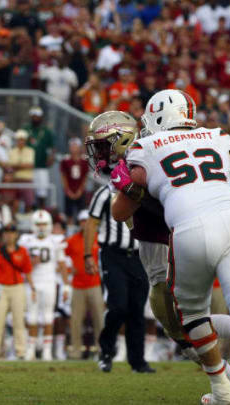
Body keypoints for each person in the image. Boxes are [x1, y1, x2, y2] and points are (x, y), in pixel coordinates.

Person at [112, 89, 230, 404]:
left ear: (156, 117)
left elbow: (122, 207)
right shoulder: (217, 137)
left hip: (190, 227)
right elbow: (228, 177)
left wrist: (123, 180)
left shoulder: (146, 146)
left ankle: (223, 393)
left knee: (194, 315)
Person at [84, 123, 152, 373]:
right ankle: (106, 351)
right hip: (113, 254)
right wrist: (86, 254)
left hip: (139, 256)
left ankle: (138, 361)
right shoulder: (105, 193)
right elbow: (91, 224)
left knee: (137, 309)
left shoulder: (144, 190)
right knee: (119, 305)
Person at [19, 209, 67, 361]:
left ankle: (47, 350)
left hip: (49, 282)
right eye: (38, 224)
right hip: (31, 283)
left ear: (49, 224)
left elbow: (62, 263)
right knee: (31, 316)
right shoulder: (25, 240)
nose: (41, 227)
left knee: (48, 316)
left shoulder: (55, 240)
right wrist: (29, 263)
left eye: (44, 224)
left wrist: (66, 285)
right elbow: (20, 262)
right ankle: (31, 349)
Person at [0, 224, 32, 360]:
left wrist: (32, 287)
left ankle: (21, 351)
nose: (9, 235)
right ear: (3, 235)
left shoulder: (22, 251)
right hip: (0, 287)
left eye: (12, 232)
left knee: (19, 321)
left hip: (17, 287)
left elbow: (27, 270)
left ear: (16, 235)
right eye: (6, 233)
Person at [65, 210, 103, 360]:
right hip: (77, 286)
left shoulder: (98, 239)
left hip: (95, 284)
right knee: (75, 321)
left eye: (86, 221)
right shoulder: (71, 240)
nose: (84, 223)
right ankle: (76, 351)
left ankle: (102, 350)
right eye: (81, 221)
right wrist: (68, 269)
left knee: (99, 319)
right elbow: (60, 257)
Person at [23, 106, 54, 207]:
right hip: (28, 167)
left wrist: (51, 157)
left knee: (42, 191)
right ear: (31, 116)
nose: (35, 118)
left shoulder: (46, 131)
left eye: (38, 116)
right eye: (34, 116)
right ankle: (30, 212)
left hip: (42, 166)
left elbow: (51, 147)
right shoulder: (26, 129)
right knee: (29, 193)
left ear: (41, 117)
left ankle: (42, 212)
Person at [60, 138, 89, 219]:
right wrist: (67, 190)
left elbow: (85, 177)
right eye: (72, 146)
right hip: (69, 190)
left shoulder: (84, 161)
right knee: (68, 213)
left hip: (80, 190)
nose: (73, 148)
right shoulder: (65, 160)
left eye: (75, 146)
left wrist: (80, 190)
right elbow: (63, 176)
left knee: (82, 213)